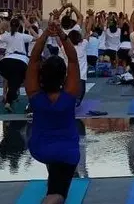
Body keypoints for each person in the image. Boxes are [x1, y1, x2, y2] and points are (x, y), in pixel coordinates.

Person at [26, 20, 81, 204]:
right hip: (66, 151)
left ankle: (52, 183)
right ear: (63, 76)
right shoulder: (70, 94)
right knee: (57, 196)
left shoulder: (34, 93)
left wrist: (46, 34)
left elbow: (34, 58)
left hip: (40, 148)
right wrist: (61, 35)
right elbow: (73, 59)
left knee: (54, 168)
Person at [0, 16, 39, 112]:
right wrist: (29, 28)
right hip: (20, 61)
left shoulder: (7, 35)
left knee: (9, 80)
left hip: (6, 61)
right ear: (18, 27)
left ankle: (7, 99)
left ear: (10, 26)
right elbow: (37, 38)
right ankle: (30, 101)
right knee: (23, 81)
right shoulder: (22, 36)